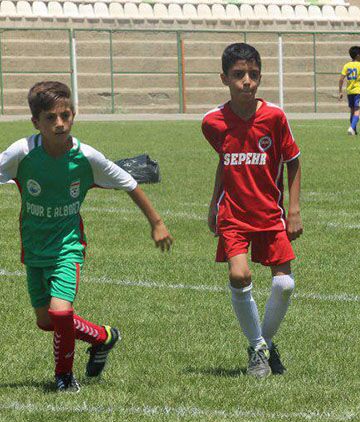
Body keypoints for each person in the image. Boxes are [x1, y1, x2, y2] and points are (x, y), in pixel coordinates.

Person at [0, 81, 173, 392]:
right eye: (51, 118)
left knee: (60, 312)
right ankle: (102, 337)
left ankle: (64, 377)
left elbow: (130, 183)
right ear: (36, 122)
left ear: (74, 114)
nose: (60, 124)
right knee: (47, 322)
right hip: (34, 248)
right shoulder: (22, 153)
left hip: (67, 247)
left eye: (65, 116)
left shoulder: (86, 157)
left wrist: (157, 223)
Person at [202, 43, 302, 378]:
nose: (247, 81)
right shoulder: (213, 122)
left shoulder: (275, 116)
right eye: (238, 75)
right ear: (224, 79)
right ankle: (260, 349)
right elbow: (224, 162)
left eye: (253, 74)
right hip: (234, 213)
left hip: (270, 213)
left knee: (284, 285)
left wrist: (295, 208)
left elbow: (293, 161)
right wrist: (213, 204)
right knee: (239, 275)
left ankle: (261, 343)